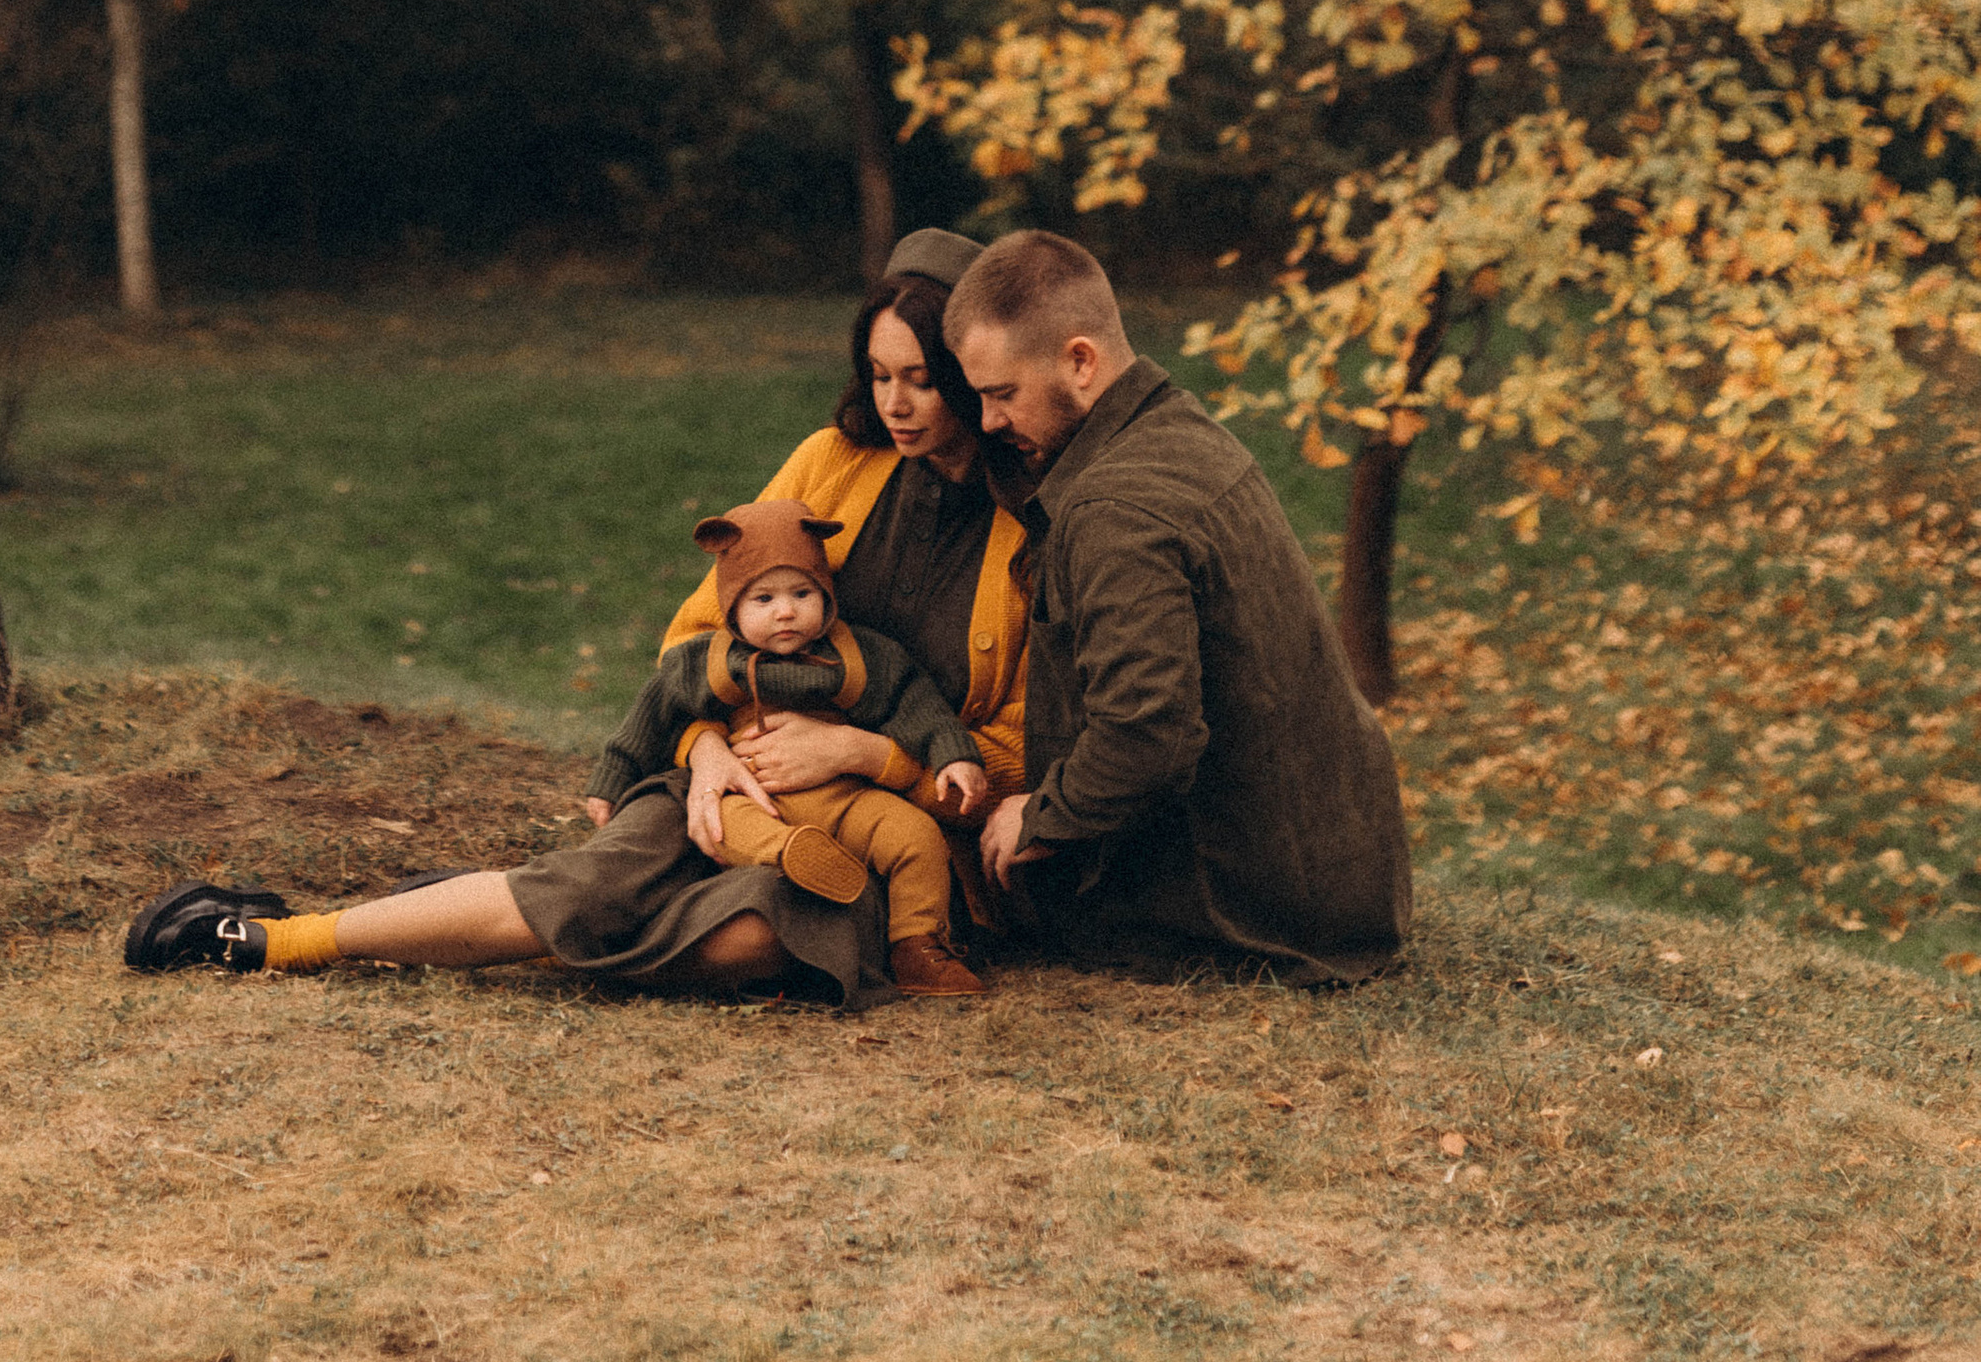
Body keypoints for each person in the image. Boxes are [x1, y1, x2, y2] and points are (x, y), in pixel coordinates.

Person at [121, 227, 1032, 1008]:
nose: (894, 402)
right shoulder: (835, 460)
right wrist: (704, 748)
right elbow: (700, 633)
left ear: (968, 373)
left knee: (753, 940)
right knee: (600, 881)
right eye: (879, 374)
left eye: (921, 379)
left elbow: (1023, 745)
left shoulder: (1027, 524)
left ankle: (471, 916)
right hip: (736, 775)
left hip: (881, 831)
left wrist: (866, 754)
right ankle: (270, 937)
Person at [941, 229, 1411, 984]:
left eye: (1003, 394)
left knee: (940, 881)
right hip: (1344, 882)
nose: (990, 421)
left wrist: (1041, 814)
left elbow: (1148, 733)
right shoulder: (1179, 431)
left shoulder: (1114, 509)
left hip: (1263, 910)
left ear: (1081, 361)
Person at [590, 497, 989, 995]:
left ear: (825, 594)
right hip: (756, 799)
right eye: (763, 599)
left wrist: (955, 754)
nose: (786, 612)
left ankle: (917, 945)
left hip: (846, 798)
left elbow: (917, 703)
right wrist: (611, 780)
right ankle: (793, 855)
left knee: (916, 835)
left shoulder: (859, 656)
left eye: (802, 593)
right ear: (732, 607)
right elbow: (649, 716)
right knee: (718, 823)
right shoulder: (710, 661)